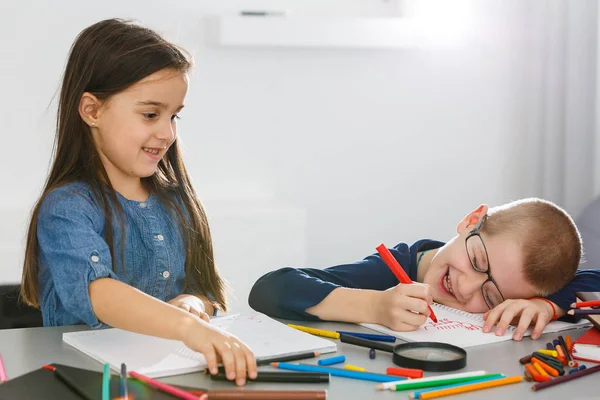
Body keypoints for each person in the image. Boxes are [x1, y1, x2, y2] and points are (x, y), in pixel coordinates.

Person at [20, 19, 256, 386]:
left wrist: (193, 306)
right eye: (150, 114)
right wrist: (185, 328)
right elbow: (96, 292)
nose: (168, 133)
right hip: (87, 384)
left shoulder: (176, 201)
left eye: (173, 115)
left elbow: (204, 289)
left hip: (171, 379)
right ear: (92, 111)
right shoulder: (66, 208)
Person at [250, 198, 600, 341]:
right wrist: (375, 306)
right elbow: (269, 288)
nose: (466, 287)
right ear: (471, 221)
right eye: (477, 262)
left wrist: (549, 304)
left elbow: (593, 280)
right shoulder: (396, 267)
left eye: (491, 296)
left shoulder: (525, 288)